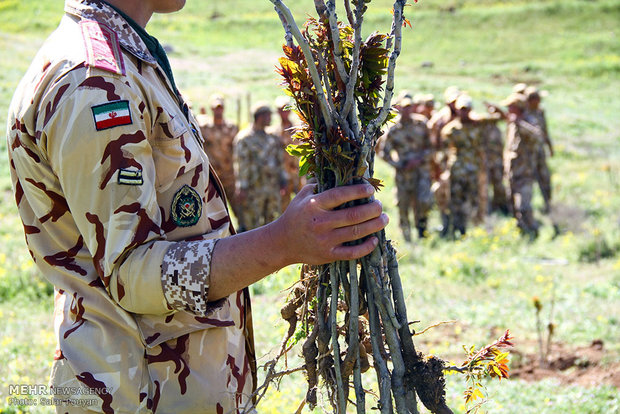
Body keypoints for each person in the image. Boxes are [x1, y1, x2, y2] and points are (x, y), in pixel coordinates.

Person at [6, 1, 388, 413]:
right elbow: (130, 271)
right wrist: (281, 243)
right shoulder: (93, 80)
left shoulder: (127, 58)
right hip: (140, 393)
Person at [379, 97, 433, 241]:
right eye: (404, 107)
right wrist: (400, 165)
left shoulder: (422, 124)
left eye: (410, 107)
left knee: (423, 201)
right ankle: (407, 238)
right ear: (399, 108)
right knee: (403, 204)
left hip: (421, 171)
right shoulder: (393, 129)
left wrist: (420, 159)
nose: (407, 110)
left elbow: (431, 146)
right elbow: (384, 153)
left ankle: (423, 231)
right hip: (403, 174)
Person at [233, 103, 288, 232]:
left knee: (273, 222)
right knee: (253, 224)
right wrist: (241, 186)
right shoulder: (245, 138)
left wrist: (283, 180)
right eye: (267, 115)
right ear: (259, 116)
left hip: (272, 187)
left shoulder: (273, 137)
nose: (270, 118)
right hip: (254, 188)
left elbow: (280, 160)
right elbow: (241, 164)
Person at [440, 94, 485, 237]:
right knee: (456, 200)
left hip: (472, 169)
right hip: (457, 169)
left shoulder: (477, 126)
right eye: (461, 109)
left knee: (472, 200)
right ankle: (458, 228)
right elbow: (443, 151)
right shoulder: (451, 129)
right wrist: (443, 170)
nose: (464, 112)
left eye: (467, 109)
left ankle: (473, 229)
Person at [502, 93, 544, 238]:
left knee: (524, 206)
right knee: (513, 207)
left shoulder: (528, 120)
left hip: (525, 172)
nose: (508, 109)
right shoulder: (512, 123)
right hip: (512, 173)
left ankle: (533, 231)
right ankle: (522, 233)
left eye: (510, 107)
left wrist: (519, 122)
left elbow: (537, 135)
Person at [197, 94, 240, 217]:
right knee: (215, 214)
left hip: (230, 177)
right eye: (216, 108)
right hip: (214, 178)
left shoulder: (232, 128)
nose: (218, 110)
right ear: (211, 109)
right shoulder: (204, 128)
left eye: (220, 107)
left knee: (239, 211)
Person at [269, 95, 303, 211]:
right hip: (282, 174)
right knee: (284, 207)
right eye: (281, 110)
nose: (284, 113)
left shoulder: (298, 130)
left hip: (298, 173)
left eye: (286, 109)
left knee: (302, 204)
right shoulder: (273, 132)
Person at [525, 86, 553, 214]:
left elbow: (545, 131)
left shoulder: (540, 112)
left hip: (540, 152)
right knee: (528, 181)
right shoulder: (524, 114)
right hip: (528, 155)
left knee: (545, 178)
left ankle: (548, 204)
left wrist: (550, 147)